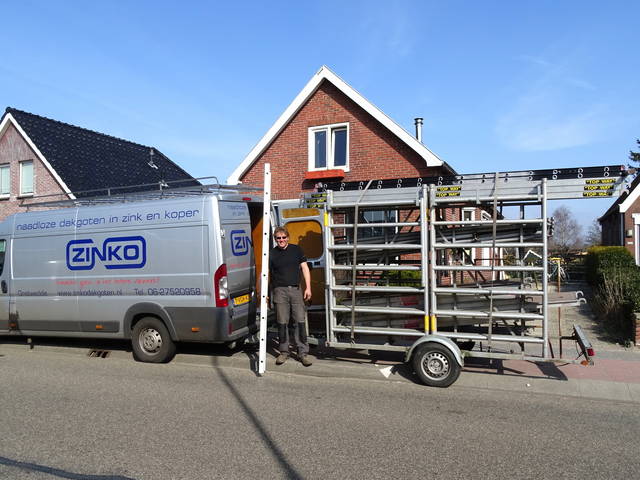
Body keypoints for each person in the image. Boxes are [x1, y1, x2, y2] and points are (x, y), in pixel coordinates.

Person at [269, 226, 312, 366]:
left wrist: (308, 288)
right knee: (282, 322)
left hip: (295, 289)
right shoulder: (271, 254)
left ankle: (302, 353)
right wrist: (264, 293)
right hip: (279, 291)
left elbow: (305, 268)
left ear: (288, 237)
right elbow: (265, 274)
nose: (281, 240)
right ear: (275, 239)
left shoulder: (296, 250)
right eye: (278, 238)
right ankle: (284, 352)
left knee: (300, 321)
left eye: (283, 237)